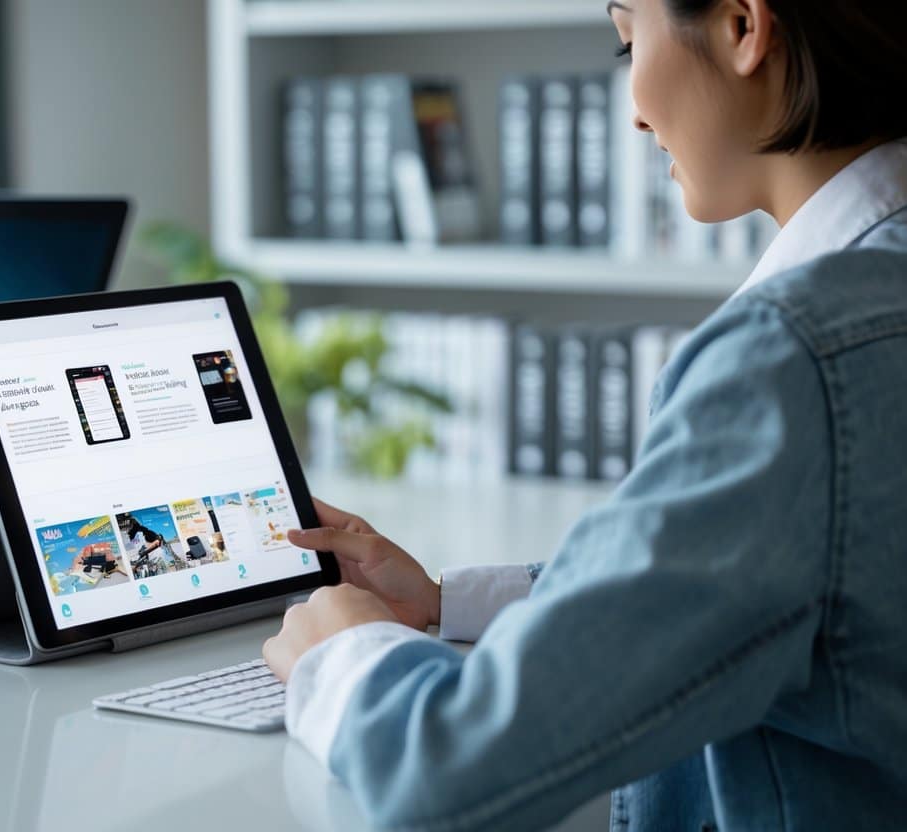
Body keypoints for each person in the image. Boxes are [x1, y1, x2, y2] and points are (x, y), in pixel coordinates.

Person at [263, 2, 907, 829]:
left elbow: (449, 773)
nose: (634, 113)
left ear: (744, 27)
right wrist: (443, 603)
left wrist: (339, 657)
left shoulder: (792, 358)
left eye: (628, 40)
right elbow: (775, 592)